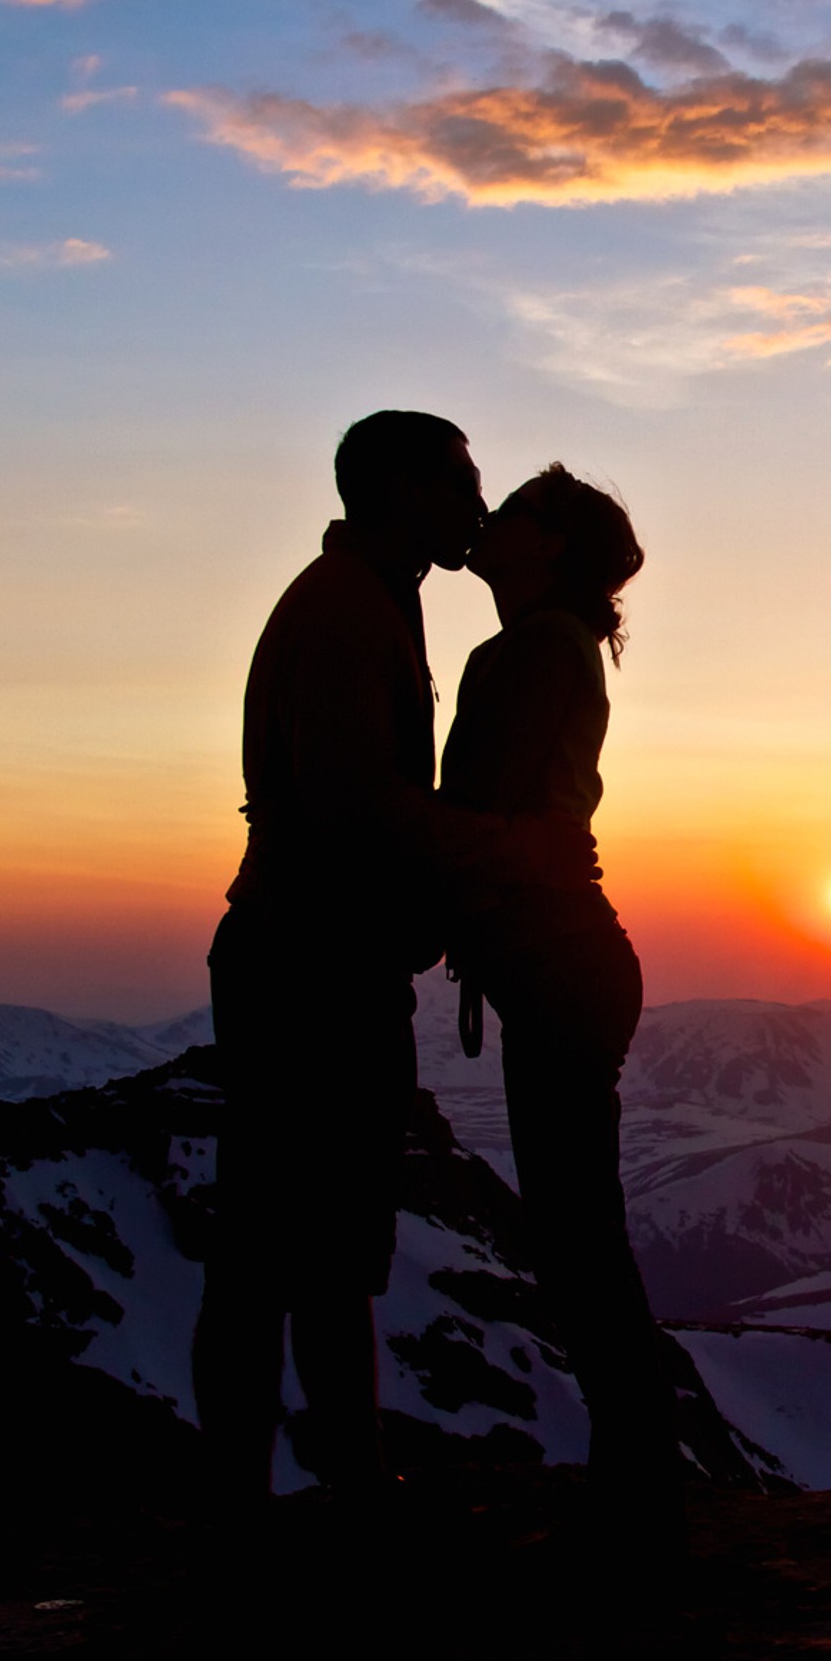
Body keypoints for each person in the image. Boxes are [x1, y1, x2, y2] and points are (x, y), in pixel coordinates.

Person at [192, 410, 493, 1513]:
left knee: (298, 1238)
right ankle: (298, 1492)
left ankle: (316, 1483)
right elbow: (353, 809)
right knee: (286, 1241)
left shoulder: (367, 600)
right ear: (404, 490)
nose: (477, 503)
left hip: (309, 952)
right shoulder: (346, 616)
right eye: (460, 481)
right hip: (312, 962)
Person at [439, 464, 683, 1541]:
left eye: (516, 510)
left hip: (554, 957)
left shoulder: (532, 648)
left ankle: (638, 1469)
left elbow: (478, 810)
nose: (490, 519)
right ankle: (635, 1461)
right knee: (578, 1226)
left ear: (547, 547)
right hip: (564, 960)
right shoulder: (554, 647)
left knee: (576, 1232)